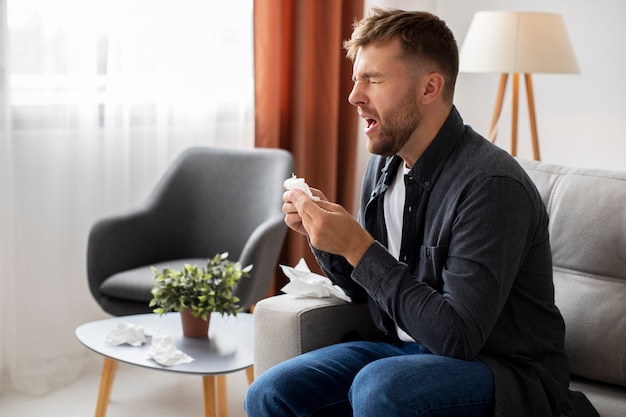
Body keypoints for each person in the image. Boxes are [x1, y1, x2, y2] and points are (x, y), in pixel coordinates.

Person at [245, 7, 599, 417]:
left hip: (503, 370)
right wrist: (324, 236)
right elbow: (365, 291)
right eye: (356, 78)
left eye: (373, 79)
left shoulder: (492, 186)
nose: (354, 96)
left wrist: (359, 246)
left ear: (430, 87)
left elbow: (458, 338)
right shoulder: (385, 162)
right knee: (270, 393)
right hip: (404, 350)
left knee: (382, 389)